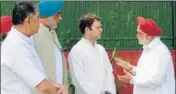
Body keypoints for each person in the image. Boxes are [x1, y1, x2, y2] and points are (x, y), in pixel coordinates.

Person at [1, 1, 65, 94]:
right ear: (28, 20)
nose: (40, 21)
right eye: (37, 18)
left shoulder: (24, 39)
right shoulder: (16, 46)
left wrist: (55, 85)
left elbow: (36, 77)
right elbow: (43, 87)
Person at [116, 17, 175, 94]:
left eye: (140, 33)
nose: (137, 36)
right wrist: (131, 68)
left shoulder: (160, 52)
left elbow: (155, 80)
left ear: (149, 36)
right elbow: (146, 73)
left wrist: (133, 80)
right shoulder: (149, 48)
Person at [68, 13, 116, 94]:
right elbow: (79, 80)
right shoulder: (76, 51)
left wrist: (109, 91)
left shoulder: (101, 49)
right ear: (87, 30)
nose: (101, 30)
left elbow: (109, 72)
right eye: (98, 27)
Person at [33, 0, 68, 93]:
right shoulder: (34, 34)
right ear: (49, 15)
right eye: (58, 14)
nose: (60, 18)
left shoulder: (51, 32)